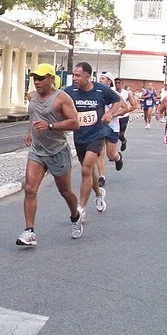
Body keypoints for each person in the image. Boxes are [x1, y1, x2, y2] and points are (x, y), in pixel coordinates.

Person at [16, 63, 82, 247]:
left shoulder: (62, 98)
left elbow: (75, 123)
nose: (37, 82)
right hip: (37, 150)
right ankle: (30, 232)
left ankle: (75, 216)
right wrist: (30, 132)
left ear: (51, 79)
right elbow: (34, 116)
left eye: (41, 78)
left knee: (65, 191)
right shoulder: (32, 97)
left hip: (57, 150)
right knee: (29, 189)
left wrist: (51, 126)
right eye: (35, 78)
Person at [64, 62, 123, 224]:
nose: (74, 78)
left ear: (87, 76)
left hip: (97, 135)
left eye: (78, 75)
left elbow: (117, 100)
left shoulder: (100, 90)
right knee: (89, 172)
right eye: (74, 75)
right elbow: (56, 100)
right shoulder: (70, 91)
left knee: (86, 169)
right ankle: (98, 193)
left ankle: (81, 209)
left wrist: (110, 112)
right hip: (79, 136)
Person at [95, 72, 126, 188]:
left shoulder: (115, 94)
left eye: (103, 79)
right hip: (100, 127)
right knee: (100, 152)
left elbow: (126, 108)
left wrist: (112, 114)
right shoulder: (96, 93)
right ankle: (101, 176)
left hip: (112, 127)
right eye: (100, 78)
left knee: (110, 154)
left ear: (109, 82)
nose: (100, 80)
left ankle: (118, 157)